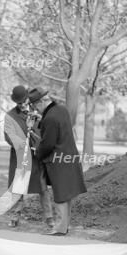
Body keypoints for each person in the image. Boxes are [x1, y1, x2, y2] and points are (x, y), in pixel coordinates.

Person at [29, 88, 86, 235]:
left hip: (58, 161)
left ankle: (60, 228)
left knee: (60, 194)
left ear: (42, 102)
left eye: (35, 106)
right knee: (66, 194)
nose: (35, 109)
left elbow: (48, 144)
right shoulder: (61, 109)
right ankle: (65, 226)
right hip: (69, 157)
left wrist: (37, 153)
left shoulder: (50, 118)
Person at [4, 85, 54, 228]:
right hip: (21, 157)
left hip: (37, 156)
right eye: (19, 103)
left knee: (42, 188)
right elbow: (8, 136)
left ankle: (49, 217)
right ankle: (15, 217)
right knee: (19, 189)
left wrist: (41, 120)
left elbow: (47, 129)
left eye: (24, 101)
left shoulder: (38, 111)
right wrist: (24, 144)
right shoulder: (10, 116)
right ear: (16, 102)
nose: (23, 104)